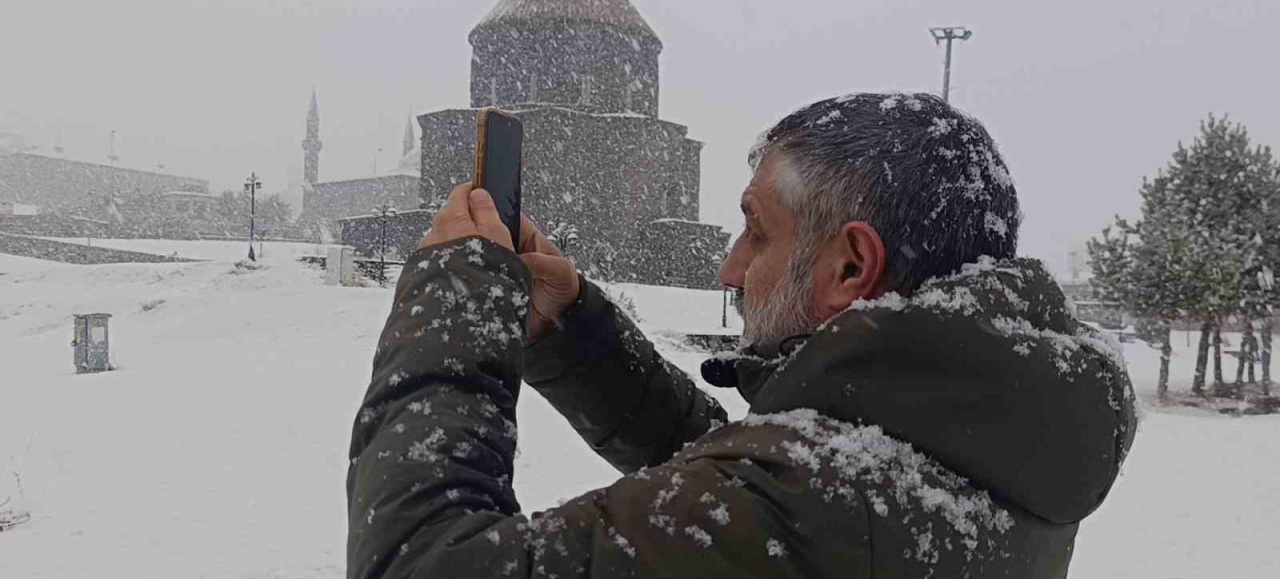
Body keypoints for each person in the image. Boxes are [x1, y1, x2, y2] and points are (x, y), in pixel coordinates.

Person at [347, 92, 1136, 578]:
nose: (730, 268)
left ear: (850, 267)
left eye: (756, 231)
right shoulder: (989, 440)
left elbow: (422, 564)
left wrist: (454, 302)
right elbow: (756, 488)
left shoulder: (819, 505)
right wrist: (573, 332)